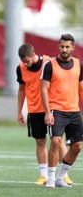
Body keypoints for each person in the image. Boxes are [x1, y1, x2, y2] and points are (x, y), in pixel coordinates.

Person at [17, 43, 73, 185]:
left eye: (27, 61)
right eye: (23, 61)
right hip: (34, 110)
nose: (25, 63)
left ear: (33, 54)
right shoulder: (21, 68)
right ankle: (43, 175)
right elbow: (22, 89)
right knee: (40, 141)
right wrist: (19, 111)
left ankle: (63, 175)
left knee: (58, 140)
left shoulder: (49, 63)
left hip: (52, 108)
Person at [41, 33, 83, 188]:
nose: (64, 49)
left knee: (77, 146)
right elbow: (44, 89)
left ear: (73, 47)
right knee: (55, 141)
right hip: (56, 110)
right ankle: (51, 178)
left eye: (67, 47)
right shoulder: (50, 64)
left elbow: (81, 89)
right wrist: (47, 112)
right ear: (58, 46)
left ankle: (61, 177)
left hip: (74, 111)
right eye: (62, 46)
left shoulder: (79, 64)